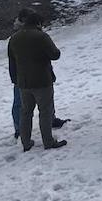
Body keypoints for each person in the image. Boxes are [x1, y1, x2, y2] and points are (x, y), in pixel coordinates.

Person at [7, 10, 65, 152]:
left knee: (26, 112)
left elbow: (12, 61)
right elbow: (55, 54)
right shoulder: (41, 36)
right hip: (42, 80)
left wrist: (15, 79)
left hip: (23, 82)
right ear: (38, 23)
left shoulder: (14, 38)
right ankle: (48, 141)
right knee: (45, 111)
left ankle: (26, 142)